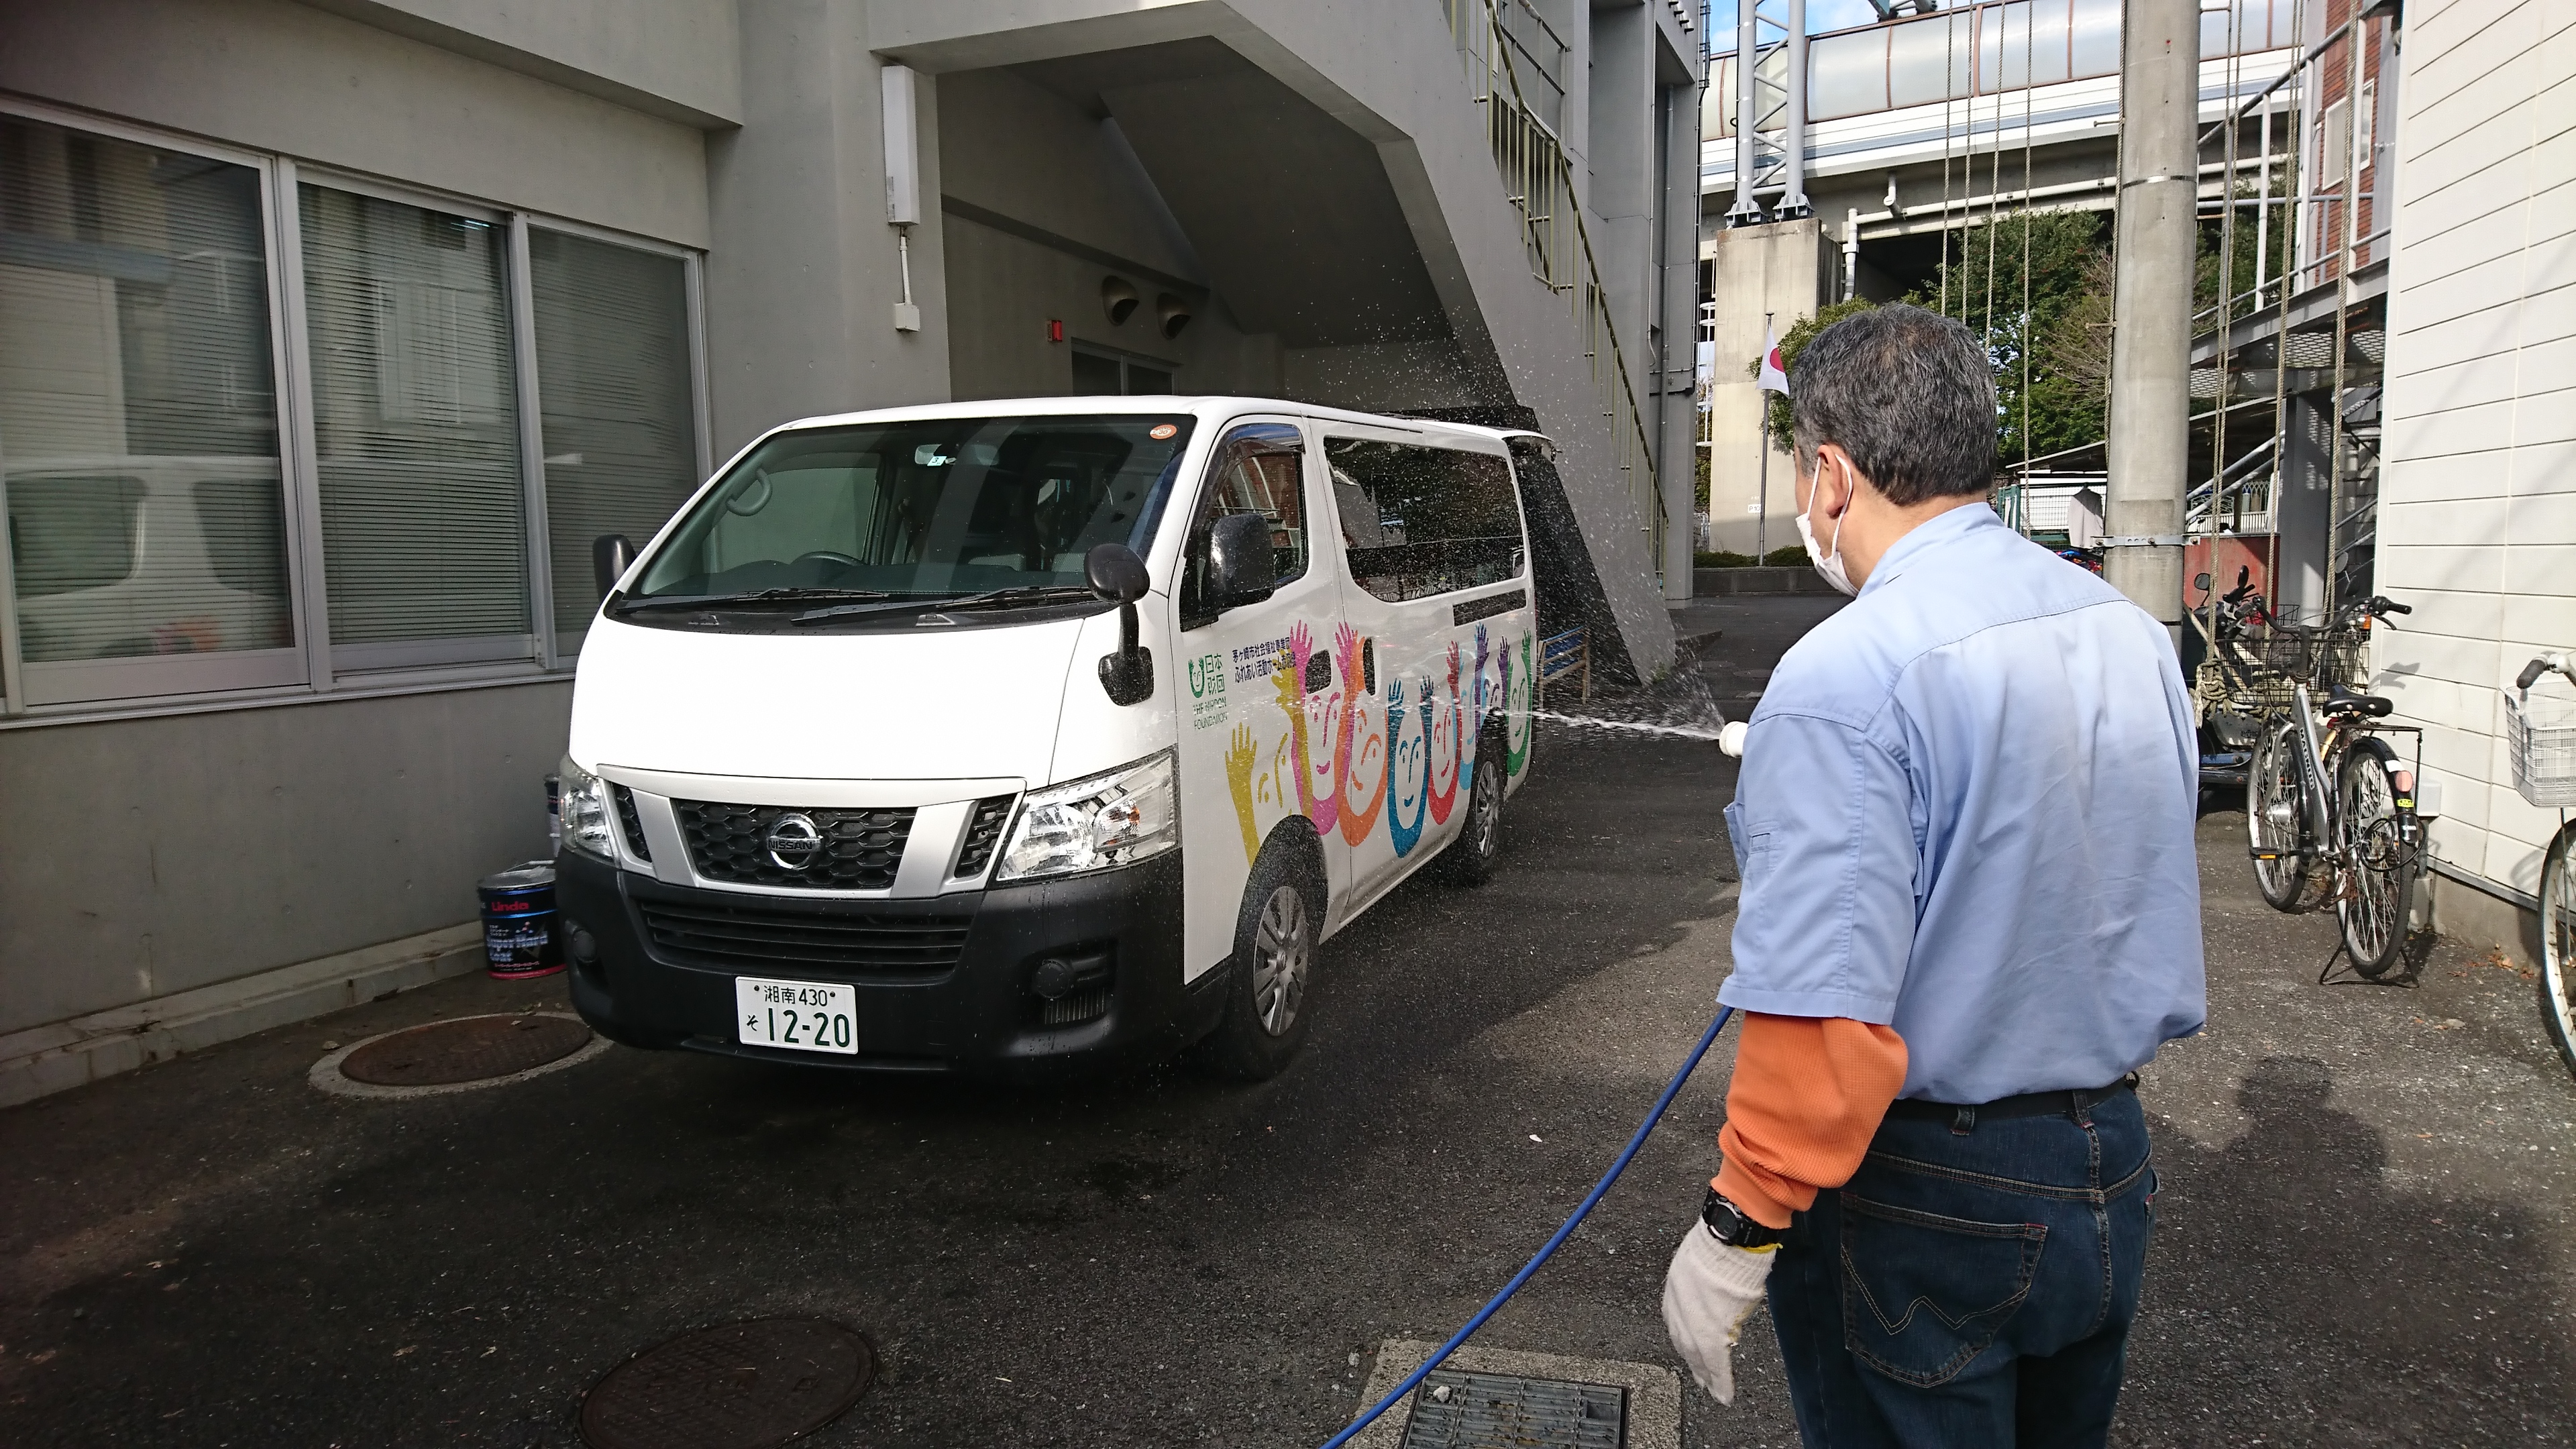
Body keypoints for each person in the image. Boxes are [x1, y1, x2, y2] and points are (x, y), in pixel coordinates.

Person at [1661, 304, 2206, 1448]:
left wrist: (1735, 1230)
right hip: (2106, 1170)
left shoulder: (1846, 674)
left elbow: (1820, 1017)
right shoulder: (2127, 633)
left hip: (1925, 1198)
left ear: (1832, 475)